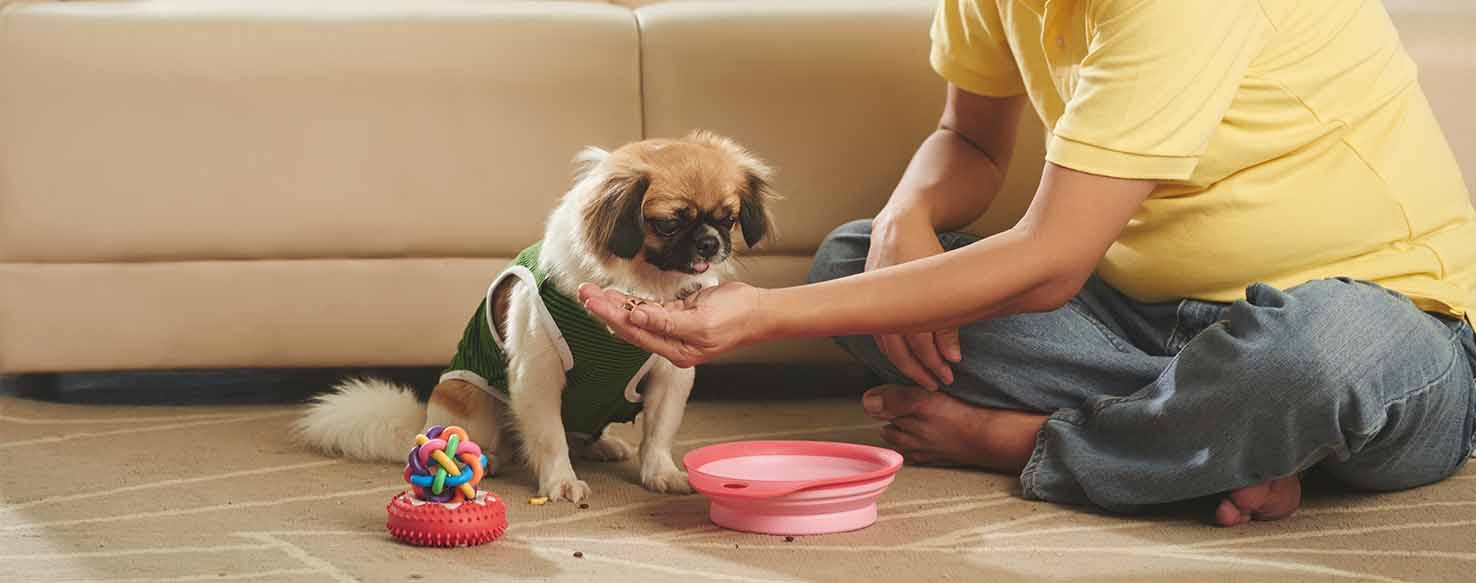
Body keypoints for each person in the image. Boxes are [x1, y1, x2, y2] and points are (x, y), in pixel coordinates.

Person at [578, 0, 1476, 526]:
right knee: (857, 260)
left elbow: (1047, 263)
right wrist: (909, 212)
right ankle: (1212, 440)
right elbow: (967, 137)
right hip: (1136, 320)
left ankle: (1037, 439)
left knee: (1313, 358)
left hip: (1394, 322)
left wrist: (758, 312)